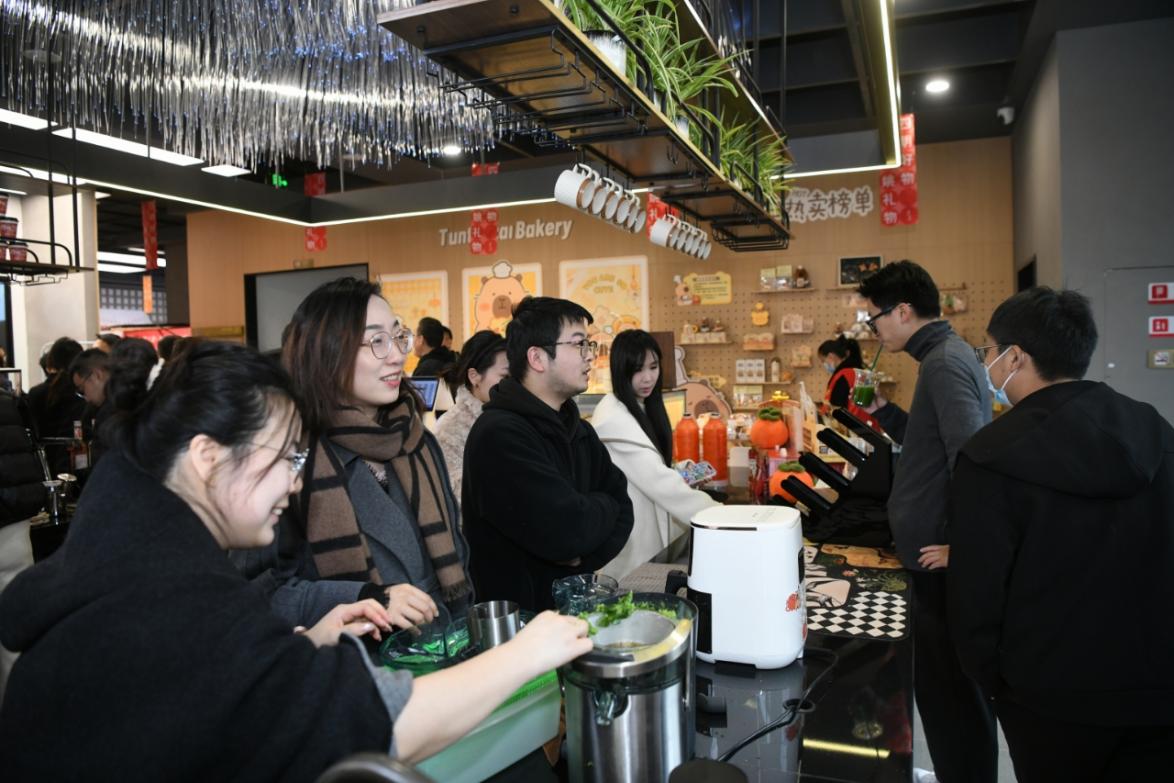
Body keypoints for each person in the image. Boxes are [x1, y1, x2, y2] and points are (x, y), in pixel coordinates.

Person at [0, 339, 591, 781]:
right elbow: (378, 723)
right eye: (284, 457)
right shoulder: (174, 601)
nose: (296, 480)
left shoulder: (130, 563)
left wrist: (303, 646)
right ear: (207, 457)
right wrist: (526, 653)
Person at [946, 287, 1174, 782]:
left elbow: (976, 589)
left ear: (1015, 357)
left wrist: (992, 678)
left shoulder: (991, 455)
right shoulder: (1154, 430)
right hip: (1157, 684)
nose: (988, 364)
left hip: (1047, 692)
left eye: (989, 352)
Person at [239, 277, 471, 631]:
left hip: (444, 642)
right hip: (353, 655)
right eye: (377, 341)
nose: (397, 355)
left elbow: (457, 554)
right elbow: (259, 592)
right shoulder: (290, 458)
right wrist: (366, 598)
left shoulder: (417, 441)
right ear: (327, 353)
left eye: (398, 336)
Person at [857, 260, 996, 783]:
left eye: (874, 319)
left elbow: (969, 456)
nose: (874, 330)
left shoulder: (942, 361)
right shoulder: (941, 357)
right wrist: (885, 412)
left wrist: (963, 543)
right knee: (945, 695)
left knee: (951, 697)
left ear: (903, 311)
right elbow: (933, 439)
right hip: (932, 551)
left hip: (940, 559)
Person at [462, 297, 634, 611]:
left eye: (589, 345)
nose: (590, 356)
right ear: (537, 358)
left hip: (571, 613)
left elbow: (623, 508)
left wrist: (581, 552)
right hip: (519, 625)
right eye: (579, 344)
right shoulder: (499, 435)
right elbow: (566, 532)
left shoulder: (579, 430)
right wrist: (594, 515)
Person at [589, 329, 717, 580]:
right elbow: (660, 483)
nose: (648, 378)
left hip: (647, 545)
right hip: (632, 553)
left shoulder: (640, 406)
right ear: (621, 370)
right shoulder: (614, 420)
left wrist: (680, 470)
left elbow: (651, 469)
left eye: (653, 367)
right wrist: (718, 514)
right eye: (637, 369)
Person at [434, 330, 508, 504]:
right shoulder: (449, 428)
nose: (512, 384)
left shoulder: (509, 415)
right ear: (474, 376)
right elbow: (456, 496)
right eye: (505, 377)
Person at [25, 337, 86, 474]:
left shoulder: (35, 393)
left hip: (41, 463)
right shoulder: (80, 392)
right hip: (73, 463)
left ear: (51, 361)